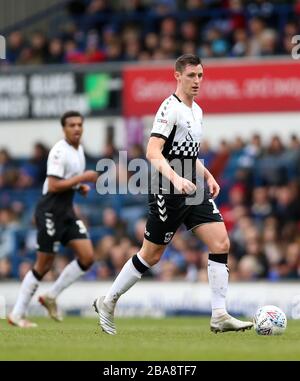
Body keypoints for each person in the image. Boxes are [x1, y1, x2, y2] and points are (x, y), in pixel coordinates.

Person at [93, 54, 253, 335]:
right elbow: (153, 152)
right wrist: (176, 179)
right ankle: (108, 301)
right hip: (167, 189)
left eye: (200, 76)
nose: (197, 81)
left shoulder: (197, 111)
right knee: (151, 256)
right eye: (191, 76)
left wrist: (207, 175)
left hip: (191, 186)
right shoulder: (169, 109)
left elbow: (189, 155)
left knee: (220, 242)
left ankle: (219, 314)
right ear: (177, 76)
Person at [8, 111, 98, 327]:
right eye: (71, 125)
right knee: (43, 264)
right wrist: (83, 177)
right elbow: (54, 184)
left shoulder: (79, 151)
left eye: (79, 124)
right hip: (49, 211)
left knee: (87, 258)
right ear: (64, 128)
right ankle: (17, 314)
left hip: (67, 212)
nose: (76, 128)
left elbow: (67, 181)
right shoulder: (59, 151)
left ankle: (51, 296)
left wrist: (79, 187)